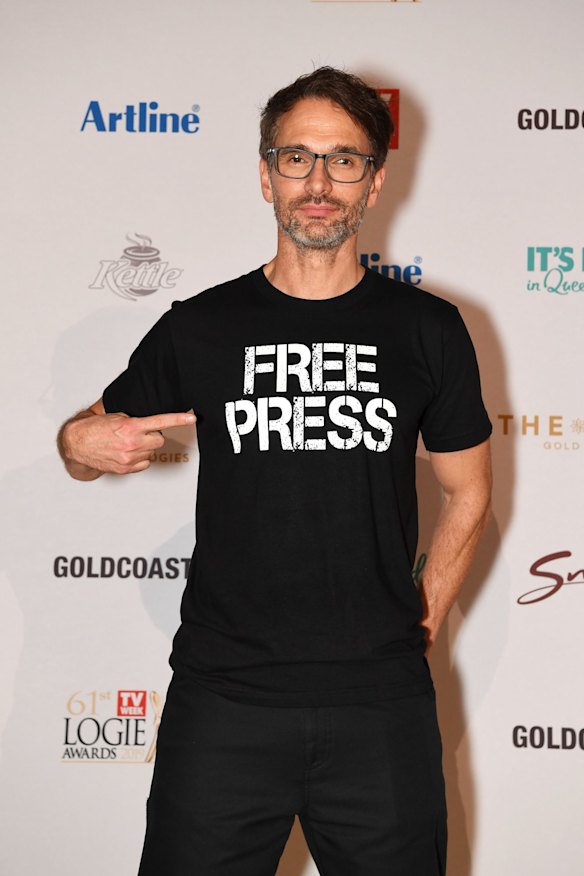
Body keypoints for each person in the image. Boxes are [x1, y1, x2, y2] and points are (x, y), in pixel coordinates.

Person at [57, 67, 492, 876]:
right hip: (223, 706)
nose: (318, 182)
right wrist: (79, 446)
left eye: (344, 161)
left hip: (380, 710)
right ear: (265, 175)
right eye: (296, 159)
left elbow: (469, 492)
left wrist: (421, 617)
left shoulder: (429, 331)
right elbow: (88, 435)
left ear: (375, 182)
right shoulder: (204, 327)